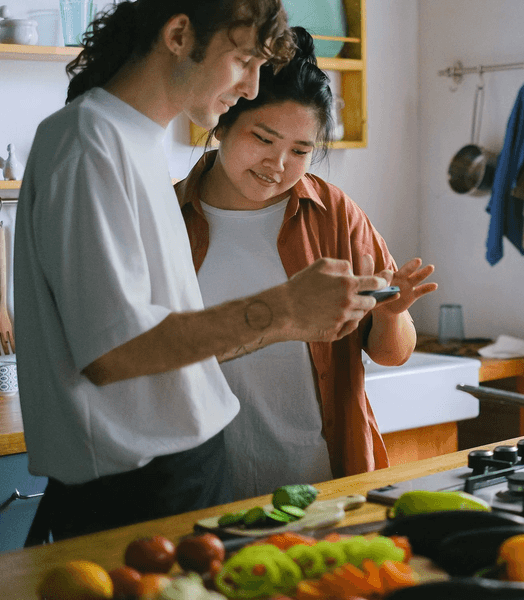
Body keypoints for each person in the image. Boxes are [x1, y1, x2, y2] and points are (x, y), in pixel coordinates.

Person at [14, 0, 388, 543]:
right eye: (243, 60)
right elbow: (115, 352)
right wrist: (284, 306)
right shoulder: (87, 142)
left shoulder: (135, 142)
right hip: (136, 488)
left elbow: (168, 342)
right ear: (179, 35)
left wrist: (291, 322)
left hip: (181, 475)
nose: (253, 85)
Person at [176, 26, 438, 498]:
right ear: (222, 124)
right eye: (263, 138)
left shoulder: (334, 214)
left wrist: (389, 314)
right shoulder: (166, 216)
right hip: (198, 486)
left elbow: (392, 353)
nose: (278, 165)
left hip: (320, 481)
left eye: (300, 151)